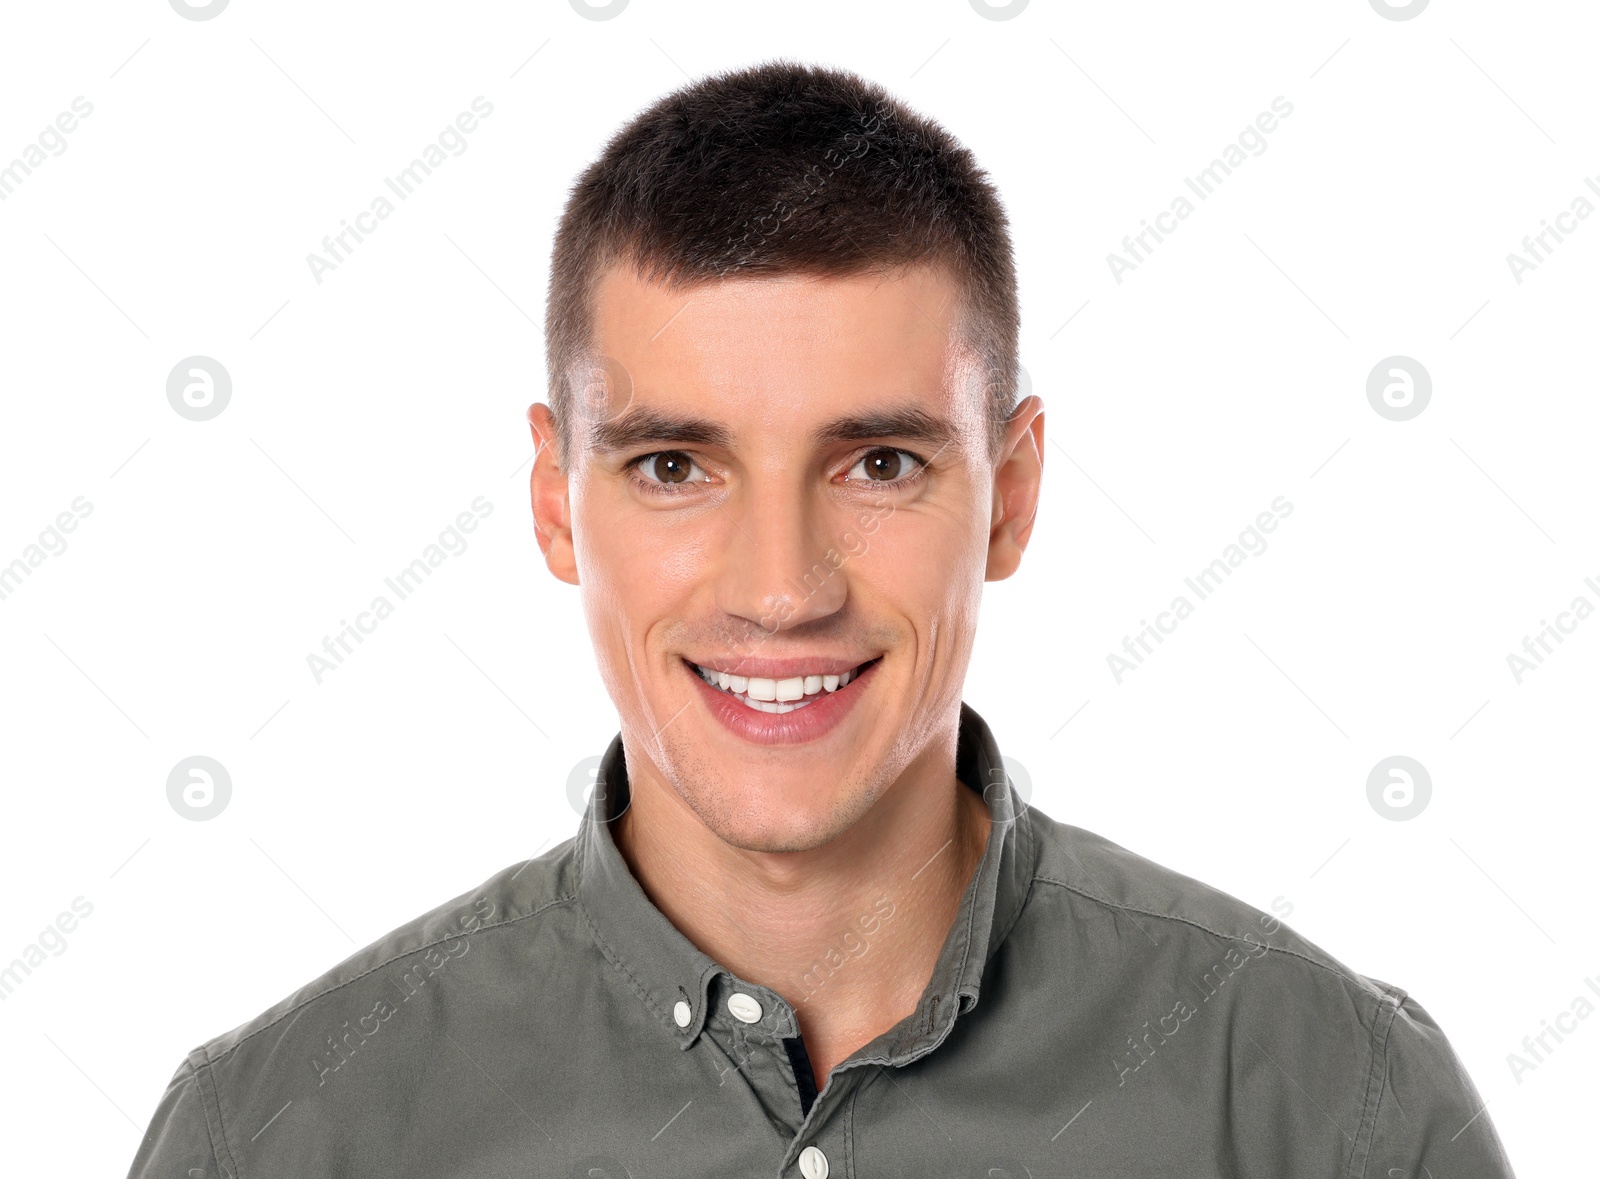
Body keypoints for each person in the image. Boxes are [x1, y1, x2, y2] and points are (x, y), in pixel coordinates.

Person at [127, 60, 1516, 1179]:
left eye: (881, 465)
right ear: (557, 504)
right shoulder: (277, 1141)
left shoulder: (1332, 1113)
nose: (782, 590)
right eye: (676, 467)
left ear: (1011, 496)